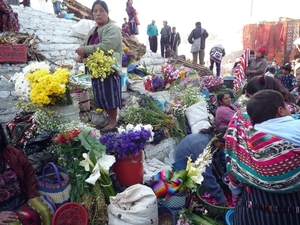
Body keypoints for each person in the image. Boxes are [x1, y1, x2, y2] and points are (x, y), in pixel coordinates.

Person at [226, 89, 300, 225]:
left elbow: (233, 173)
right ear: (280, 110)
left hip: (252, 211)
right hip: (292, 210)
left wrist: (235, 190)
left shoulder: (246, 136)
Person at [75, 0, 122, 133]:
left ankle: (113, 121)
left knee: (109, 95)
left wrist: (85, 50)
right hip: (96, 70)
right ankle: (109, 118)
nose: (98, 14)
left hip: (109, 69)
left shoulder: (112, 28)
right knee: (101, 96)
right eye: (95, 11)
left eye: (101, 11)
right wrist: (82, 56)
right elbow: (86, 44)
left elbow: (106, 46)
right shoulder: (93, 30)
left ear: (107, 13)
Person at [0, 124, 52, 224]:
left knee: (45, 211)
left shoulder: (11, 152)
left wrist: (32, 196)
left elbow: (29, 173)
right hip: (2, 209)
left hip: (21, 199)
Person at [174, 126, 228, 207]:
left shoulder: (214, 140)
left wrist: (228, 171)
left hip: (197, 156)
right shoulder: (202, 145)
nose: (223, 147)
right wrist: (220, 197)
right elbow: (206, 175)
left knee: (215, 167)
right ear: (216, 140)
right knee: (198, 182)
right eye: (222, 145)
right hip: (183, 162)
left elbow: (222, 156)